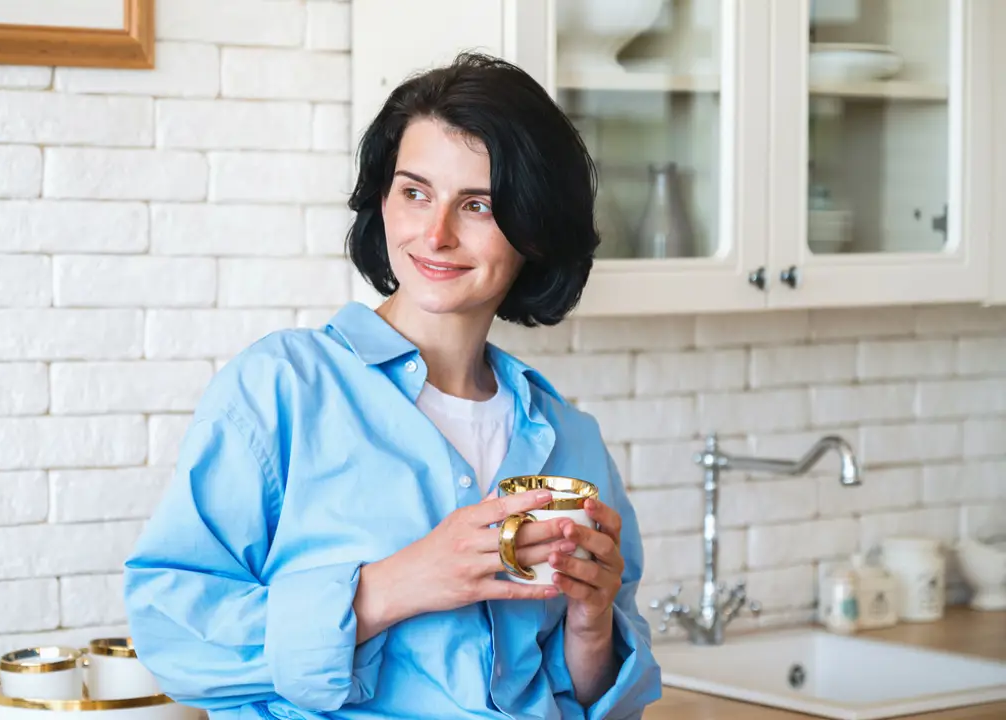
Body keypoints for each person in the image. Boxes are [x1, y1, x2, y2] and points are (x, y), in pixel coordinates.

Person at [124, 52, 662, 719]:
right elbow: (171, 632)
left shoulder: (570, 440)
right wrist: (393, 587)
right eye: (414, 192)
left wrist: (591, 626)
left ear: (534, 225)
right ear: (382, 203)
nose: (435, 234)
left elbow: (594, 698)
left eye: (478, 205)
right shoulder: (283, 389)